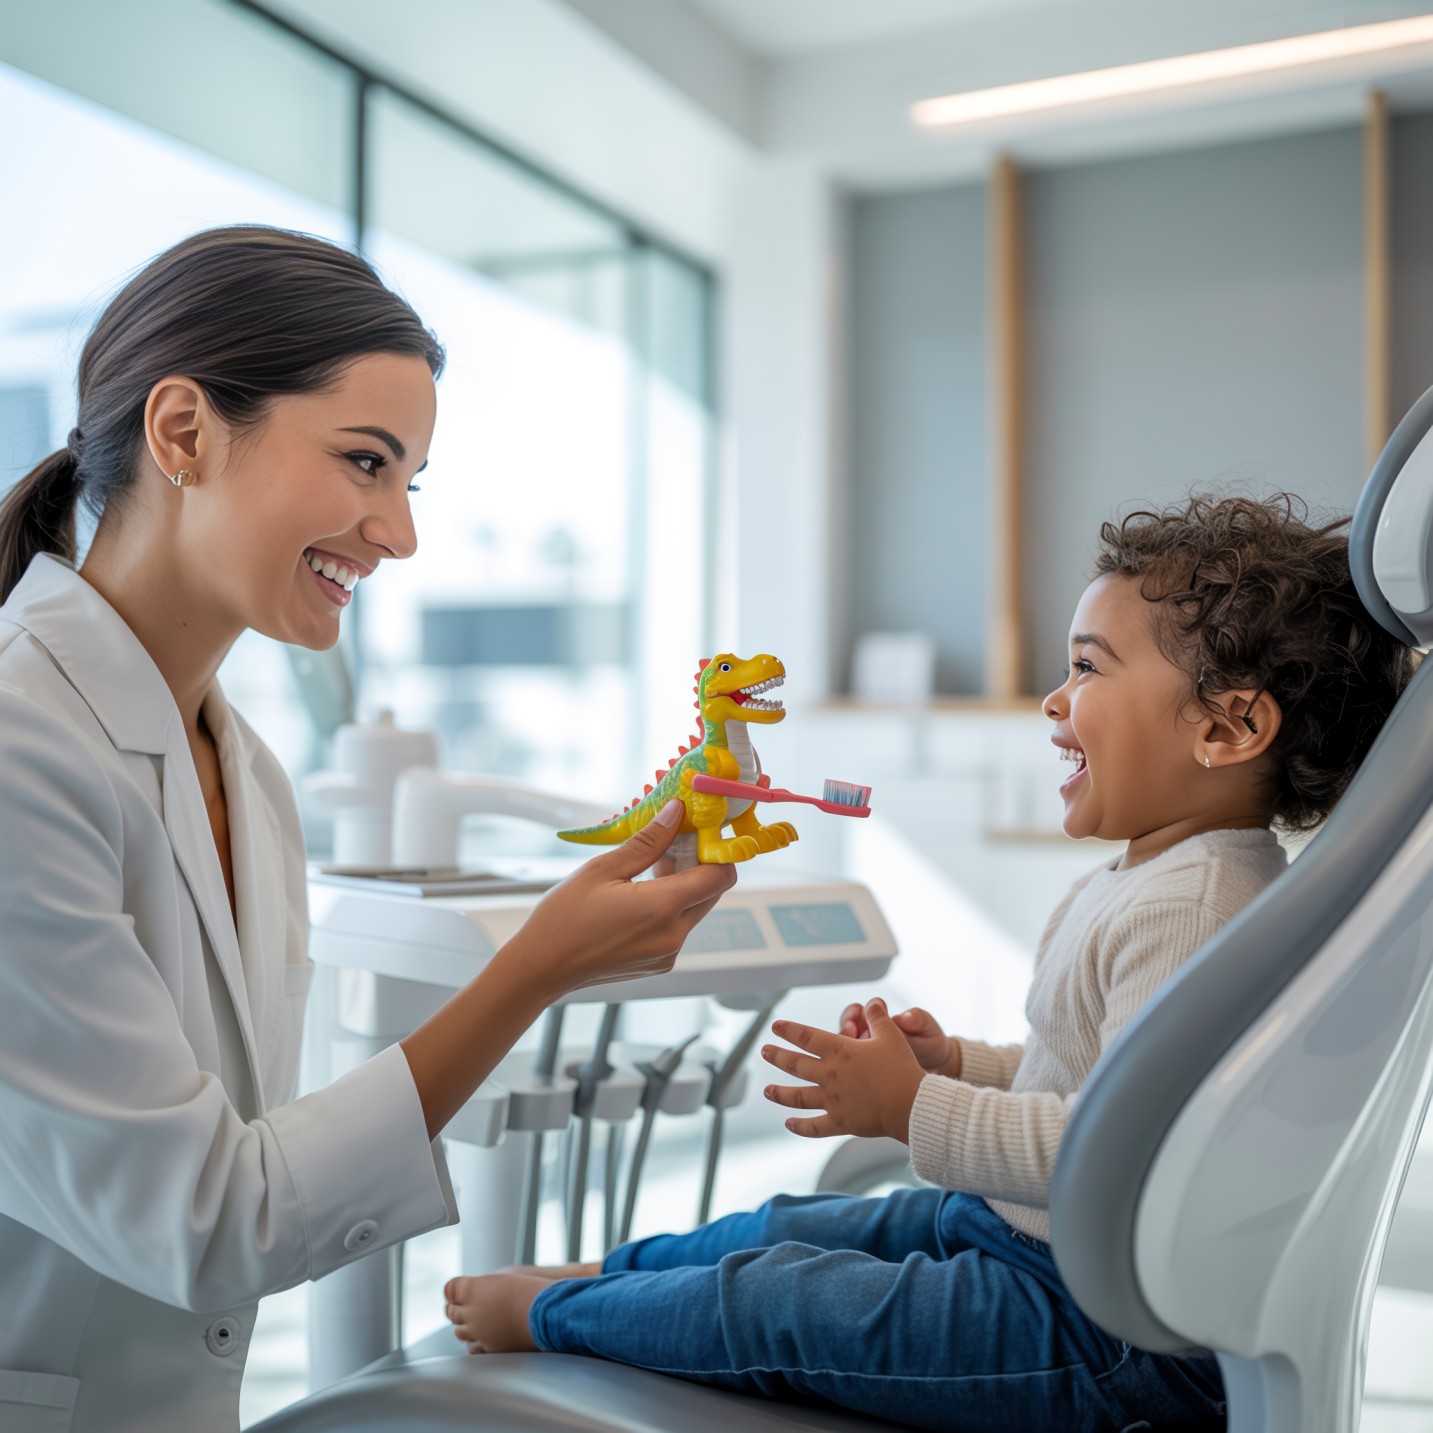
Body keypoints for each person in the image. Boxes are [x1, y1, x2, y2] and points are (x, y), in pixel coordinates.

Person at [444, 493, 1416, 1432]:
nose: (1052, 698)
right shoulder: (1158, 877)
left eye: (1087, 667)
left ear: (1224, 728)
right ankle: (613, 1279)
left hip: (1100, 1331)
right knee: (789, 1222)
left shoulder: (1189, 906)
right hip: (1028, 1243)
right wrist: (957, 1065)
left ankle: (553, 1317)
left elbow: (1113, 1150)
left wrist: (910, 1107)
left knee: (778, 1296)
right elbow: (1104, 1077)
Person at [0, 225, 736, 1433]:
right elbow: (207, 1217)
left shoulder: (253, 776)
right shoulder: (21, 745)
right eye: (364, 462)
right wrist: (536, 966)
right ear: (182, 432)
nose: (397, 533)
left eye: (408, 482)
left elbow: (251, 1161)